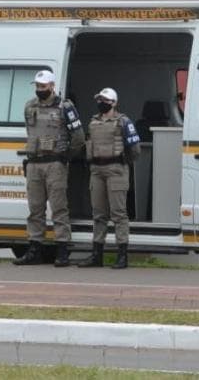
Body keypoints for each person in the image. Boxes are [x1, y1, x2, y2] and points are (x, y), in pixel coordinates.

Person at [13, 70, 85, 267]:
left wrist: (66, 156)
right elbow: (31, 133)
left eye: (43, 87)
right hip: (35, 163)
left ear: (52, 86)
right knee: (35, 209)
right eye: (37, 86)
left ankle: (62, 250)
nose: (39, 90)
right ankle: (34, 249)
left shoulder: (65, 107)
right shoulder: (29, 106)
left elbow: (79, 137)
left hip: (55, 163)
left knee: (59, 208)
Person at [78, 87, 140, 269]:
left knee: (119, 214)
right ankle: (97, 255)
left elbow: (135, 149)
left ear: (114, 103)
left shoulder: (123, 122)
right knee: (98, 214)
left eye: (105, 100)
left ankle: (122, 255)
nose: (101, 103)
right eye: (99, 100)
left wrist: (122, 163)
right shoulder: (93, 122)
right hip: (96, 170)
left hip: (115, 168)